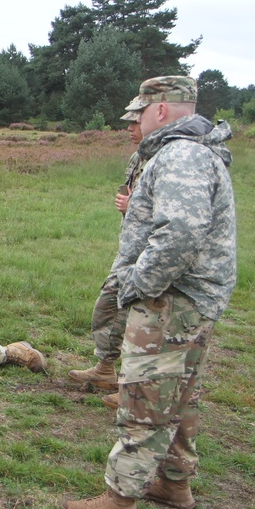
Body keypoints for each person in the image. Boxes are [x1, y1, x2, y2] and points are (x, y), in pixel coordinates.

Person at [60, 76, 236, 509]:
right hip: (188, 297)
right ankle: (174, 482)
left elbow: (179, 232)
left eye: (139, 111)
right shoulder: (193, 151)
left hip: (171, 299)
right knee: (179, 393)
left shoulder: (181, 155)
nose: (134, 119)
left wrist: (137, 283)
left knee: (145, 395)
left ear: (160, 111)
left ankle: (120, 500)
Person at [68, 109, 147, 410]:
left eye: (135, 121)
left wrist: (134, 205)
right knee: (109, 305)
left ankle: (136, 389)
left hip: (152, 255)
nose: (129, 127)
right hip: (130, 249)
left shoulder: (169, 160)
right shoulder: (139, 157)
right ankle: (105, 369)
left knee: (143, 319)